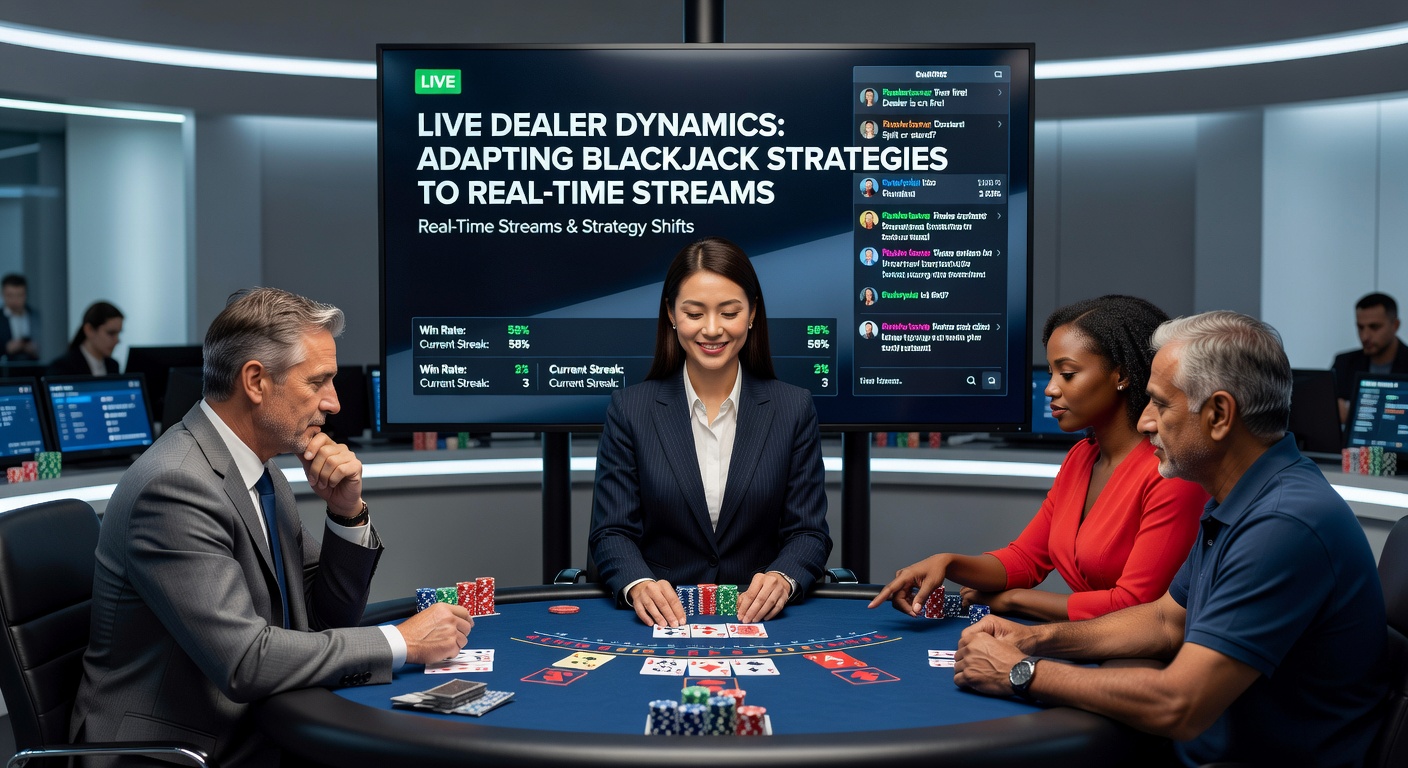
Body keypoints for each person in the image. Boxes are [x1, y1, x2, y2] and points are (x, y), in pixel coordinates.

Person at [953, 311, 1386, 767]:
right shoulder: (1243, 497)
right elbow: (1164, 621)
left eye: (1160, 404)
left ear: (1219, 415)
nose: (1144, 422)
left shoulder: (1283, 523)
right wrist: (1033, 639)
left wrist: (1020, 671)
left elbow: (1180, 705)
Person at [71, 287, 472, 767]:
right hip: (178, 752)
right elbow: (245, 662)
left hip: (255, 725)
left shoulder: (263, 472)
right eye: (318, 382)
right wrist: (402, 642)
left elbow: (324, 618)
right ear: (256, 381)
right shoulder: (175, 486)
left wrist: (346, 513)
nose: (334, 403)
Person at [871, 296, 1207, 621]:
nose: (1050, 389)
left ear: (1121, 375)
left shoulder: (1172, 472)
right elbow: (1026, 559)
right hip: (1087, 641)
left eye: (1068, 374)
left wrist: (1013, 600)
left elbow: (1135, 607)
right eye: (1051, 373)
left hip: (1148, 651)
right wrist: (947, 563)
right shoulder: (1080, 457)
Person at [590, 237, 831, 628]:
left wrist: (782, 577)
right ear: (671, 314)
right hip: (662, 619)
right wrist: (639, 584)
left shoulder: (794, 407)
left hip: (760, 618)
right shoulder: (630, 408)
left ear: (752, 314)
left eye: (729, 312)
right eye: (694, 313)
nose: (713, 329)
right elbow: (611, 531)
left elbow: (808, 532)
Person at [1332, 292, 1408, 423]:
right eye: (1360, 327)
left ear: (1395, 325)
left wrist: (1352, 414)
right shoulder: (1344, 363)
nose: (1365, 336)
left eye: (1374, 327)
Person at [46, 301, 123, 376]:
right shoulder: (62, 368)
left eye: (118, 333)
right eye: (111, 333)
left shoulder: (113, 366)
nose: (117, 340)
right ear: (89, 330)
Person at [0, 273, 39, 361]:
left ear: (26, 294)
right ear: (2, 294)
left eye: (19, 295)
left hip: (33, 364)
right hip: (5, 366)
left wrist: (37, 348)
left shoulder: (35, 316)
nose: (15, 300)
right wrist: (6, 348)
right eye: (10, 295)